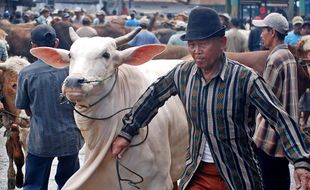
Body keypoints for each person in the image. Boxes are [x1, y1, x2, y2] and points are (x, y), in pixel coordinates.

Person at [111, 7, 310, 190]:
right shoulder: (183, 74)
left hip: (237, 175)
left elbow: (279, 116)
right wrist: (127, 132)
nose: (196, 51)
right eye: (192, 44)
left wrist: (300, 160)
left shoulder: (244, 79)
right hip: (197, 172)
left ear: (222, 43)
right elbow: (153, 96)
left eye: (203, 44)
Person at [15, 25, 84, 190]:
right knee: (69, 184)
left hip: (41, 138)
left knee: (34, 185)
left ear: (33, 47)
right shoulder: (72, 69)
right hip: (70, 137)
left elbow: (24, 107)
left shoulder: (26, 73)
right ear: (57, 42)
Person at [252, 12, 300, 190]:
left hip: (268, 139)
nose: (261, 34)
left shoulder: (275, 59)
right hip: (284, 138)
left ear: (272, 32)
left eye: (263, 30)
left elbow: (265, 102)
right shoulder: (288, 56)